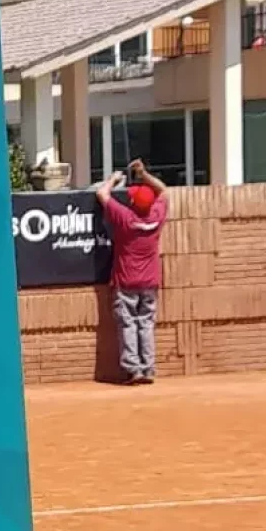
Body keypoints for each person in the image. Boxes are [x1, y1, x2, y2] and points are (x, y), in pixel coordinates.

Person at [96, 159, 168, 385]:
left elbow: (102, 194)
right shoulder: (156, 216)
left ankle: (133, 369)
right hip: (150, 281)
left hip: (125, 280)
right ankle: (147, 369)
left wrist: (113, 179)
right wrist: (143, 173)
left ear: (133, 203)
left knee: (128, 323)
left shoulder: (125, 218)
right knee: (146, 323)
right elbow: (164, 190)